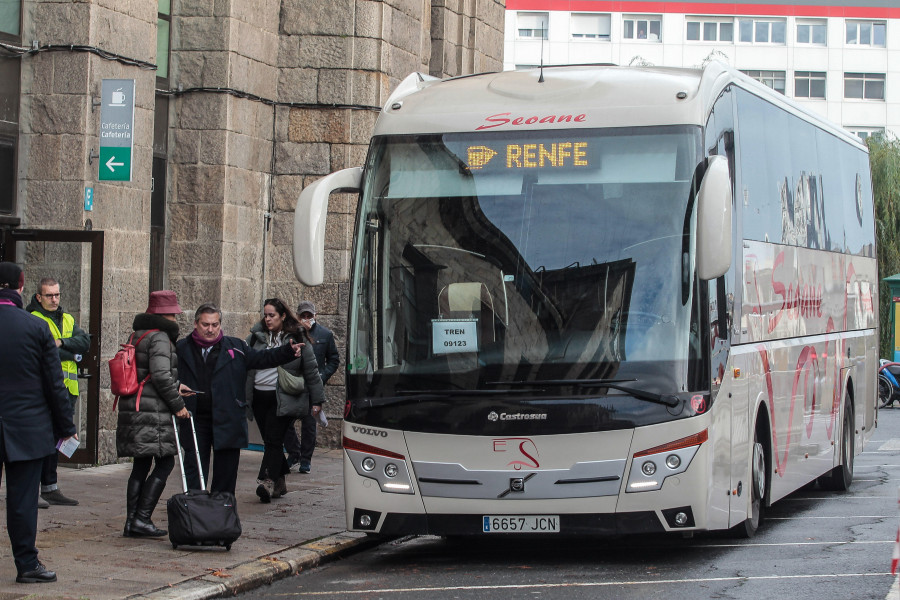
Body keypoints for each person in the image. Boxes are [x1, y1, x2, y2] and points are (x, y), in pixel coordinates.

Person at [0, 262, 77, 583]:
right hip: (27, 426)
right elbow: (54, 383)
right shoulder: (35, 328)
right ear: (20, 288)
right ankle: (27, 565)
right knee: (22, 500)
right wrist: (65, 427)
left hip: (21, 423)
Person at [175, 303, 301, 496]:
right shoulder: (182, 348)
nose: (210, 329)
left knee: (226, 472)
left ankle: (222, 509)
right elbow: (166, 374)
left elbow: (262, 358)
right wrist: (176, 387)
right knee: (195, 467)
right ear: (195, 324)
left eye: (215, 325)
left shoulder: (236, 346)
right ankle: (195, 509)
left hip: (227, 418)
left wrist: (287, 351)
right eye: (205, 324)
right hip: (195, 418)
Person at [116, 290, 192, 537]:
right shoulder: (160, 337)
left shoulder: (138, 334)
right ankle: (141, 518)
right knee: (165, 461)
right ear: (167, 314)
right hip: (152, 410)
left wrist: (175, 384)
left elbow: (148, 374)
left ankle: (132, 522)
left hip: (136, 406)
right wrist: (178, 405)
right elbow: (159, 375)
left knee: (141, 464)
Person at [245, 298, 324, 502]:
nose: (268, 319)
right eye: (265, 315)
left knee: (273, 439)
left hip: (284, 398)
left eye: (272, 315)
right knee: (270, 440)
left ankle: (267, 481)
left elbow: (311, 370)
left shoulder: (297, 337)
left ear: (282, 316)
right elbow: (245, 362)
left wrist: (317, 401)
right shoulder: (255, 337)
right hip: (259, 397)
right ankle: (280, 482)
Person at [25, 277, 89, 508]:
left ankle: (50, 487)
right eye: (49, 295)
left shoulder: (68, 318)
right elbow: (43, 352)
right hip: (43, 391)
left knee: (56, 439)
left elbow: (85, 342)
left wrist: (62, 343)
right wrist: (70, 352)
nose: (54, 299)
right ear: (38, 297)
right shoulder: (33, 318)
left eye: (57, 295)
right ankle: (33, 490)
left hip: (66, 391)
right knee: (40, 440)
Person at [284, 300, 340, 474]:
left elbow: (334, 359)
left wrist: (322, 376)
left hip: (312, 386)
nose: (307, 319)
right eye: (303, 316)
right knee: (285, 421)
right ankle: (294, 453)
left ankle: (306, 459)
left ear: (315, 316)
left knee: (309, 423)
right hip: (293, 384)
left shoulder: (325, 334)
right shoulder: (290, 334)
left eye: (310, 316)